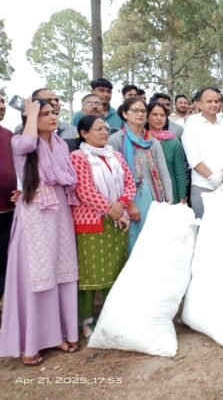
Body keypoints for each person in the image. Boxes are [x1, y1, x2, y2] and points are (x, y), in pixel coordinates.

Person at [0, 98, 79, 366]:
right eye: (45, 114)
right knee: (38, 273)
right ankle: (31, 342)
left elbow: (67, 177)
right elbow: (27, 144)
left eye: (53, 113)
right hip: (35, 214)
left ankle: (59, 334)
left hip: (60, 212)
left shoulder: (60, 144)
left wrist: (36, 115)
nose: (52, 117)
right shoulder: (20, 142)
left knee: (61, 270)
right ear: (31, 118)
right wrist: (31, 115)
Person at [70, 115, 136, 338]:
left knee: (115, 269)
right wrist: (111, 209)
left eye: (106, 128)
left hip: (118, 221)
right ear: (84, 133)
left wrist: (121, 204)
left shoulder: (115, 155)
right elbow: (84, 190)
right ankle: (87, 320)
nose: (104, 132)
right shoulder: (78, 157)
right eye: (98, 129)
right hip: (91, 222)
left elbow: (129, 183)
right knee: (89, 273)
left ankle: (111, 316)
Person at [108, 97, 173, 253]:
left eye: (143, 111)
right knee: (133, 239)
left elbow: (163, 170)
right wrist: (129, 203)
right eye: (135, 110)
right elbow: (114, 177)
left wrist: (169, 199)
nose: (140, 114)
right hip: (127, 197)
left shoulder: (152, 141)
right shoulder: (116, 140)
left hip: (153, 194)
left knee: (153, 238)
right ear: (125, 114)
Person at [182, 87, 223, 218]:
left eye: (216, 101)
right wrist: (212, 178)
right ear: (199, 104)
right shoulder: (191, 125)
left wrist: (221, 176)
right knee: (203, 227)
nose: (214, 104)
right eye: (209, 101)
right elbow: (193, 158)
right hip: (202, 186)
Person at [146, 102, 188, 204]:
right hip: (148, 194)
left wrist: (182, 196)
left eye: (162, 115)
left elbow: (180, 172)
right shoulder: (141, 141)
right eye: (155, 114)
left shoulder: (173, 142)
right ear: (147, 117)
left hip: (171, 194)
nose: (159, 118)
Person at [0, 94, 17, 299]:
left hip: (8, 208)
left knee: (5, 254)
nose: (2, 106)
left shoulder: (8, 135)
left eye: (3, 102)